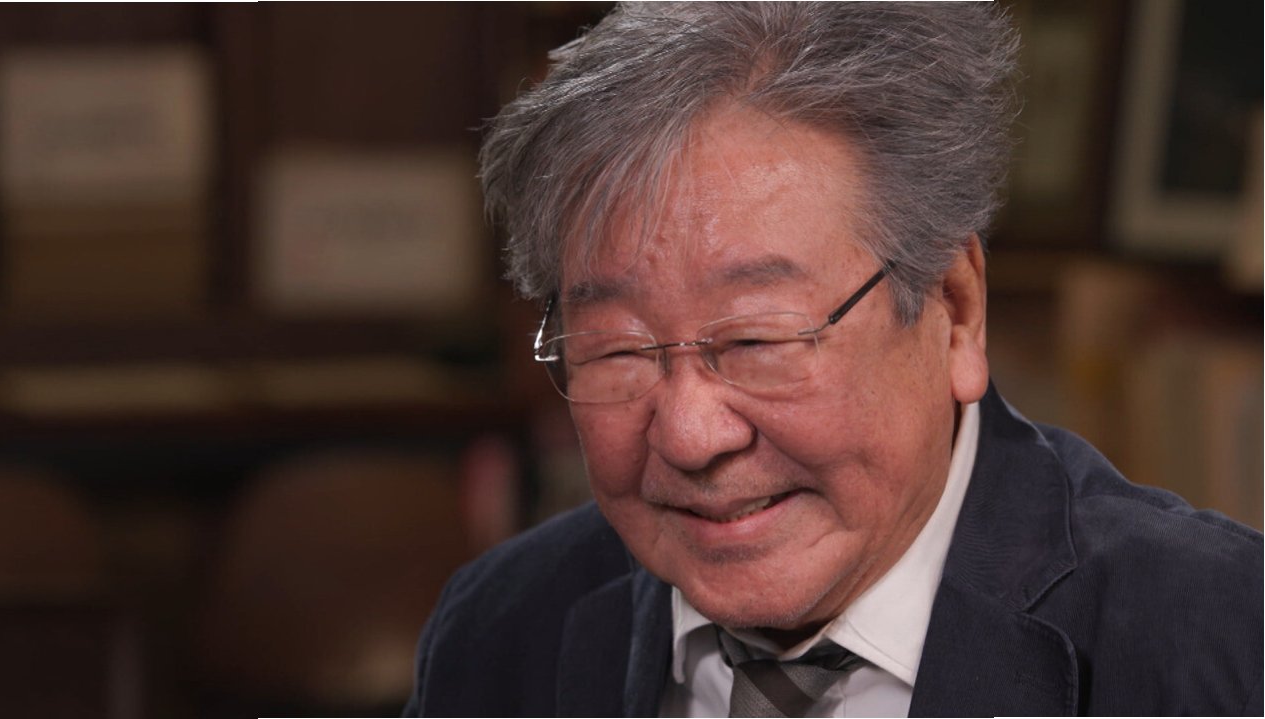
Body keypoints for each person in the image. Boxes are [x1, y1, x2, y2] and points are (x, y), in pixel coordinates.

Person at [405, 3, 1263, 716]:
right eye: (617, 348)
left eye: (757, 338)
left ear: (955, 311)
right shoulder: (500, 626)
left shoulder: (1220, 640)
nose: (691, 435)